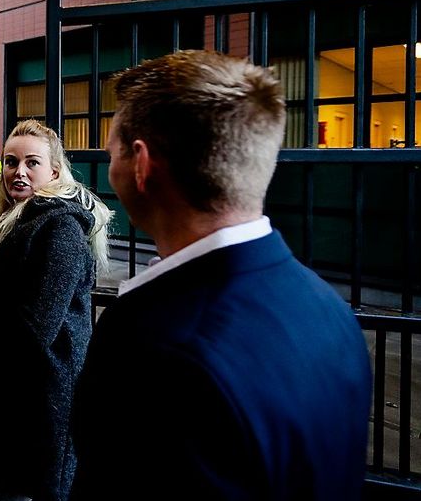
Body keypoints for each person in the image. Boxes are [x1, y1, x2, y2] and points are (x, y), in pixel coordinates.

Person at [72, 51, 372, 498]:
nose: (109, 163)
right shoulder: (327, 306)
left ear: (141, 164)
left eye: (113, 150)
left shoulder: (153, 344)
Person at [0, 120, 111, 501]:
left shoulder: (61, 229)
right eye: (10, 162)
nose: (18, 172)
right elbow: (18, 286)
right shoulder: (25, 217)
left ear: (54, 171)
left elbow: (36, 326)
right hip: (16, 391)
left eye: (31, 163)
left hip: (42, 398)